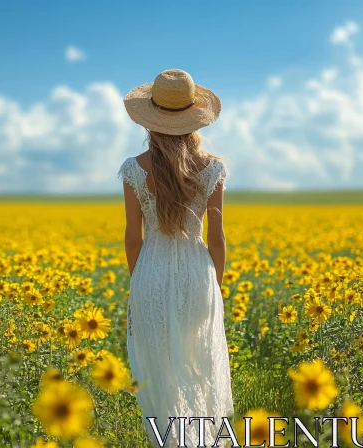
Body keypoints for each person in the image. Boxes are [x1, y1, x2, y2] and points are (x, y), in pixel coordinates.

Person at [118, 68, 234, 447]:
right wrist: (214, 285)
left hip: (150, 271)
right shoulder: (212, 168)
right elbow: (216, 238)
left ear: (150, 118)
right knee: (197, 368)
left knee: (161, 373)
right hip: (196, 274)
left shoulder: (135, 169)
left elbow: (132, 239)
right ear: (192, 115)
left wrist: (139, 284)